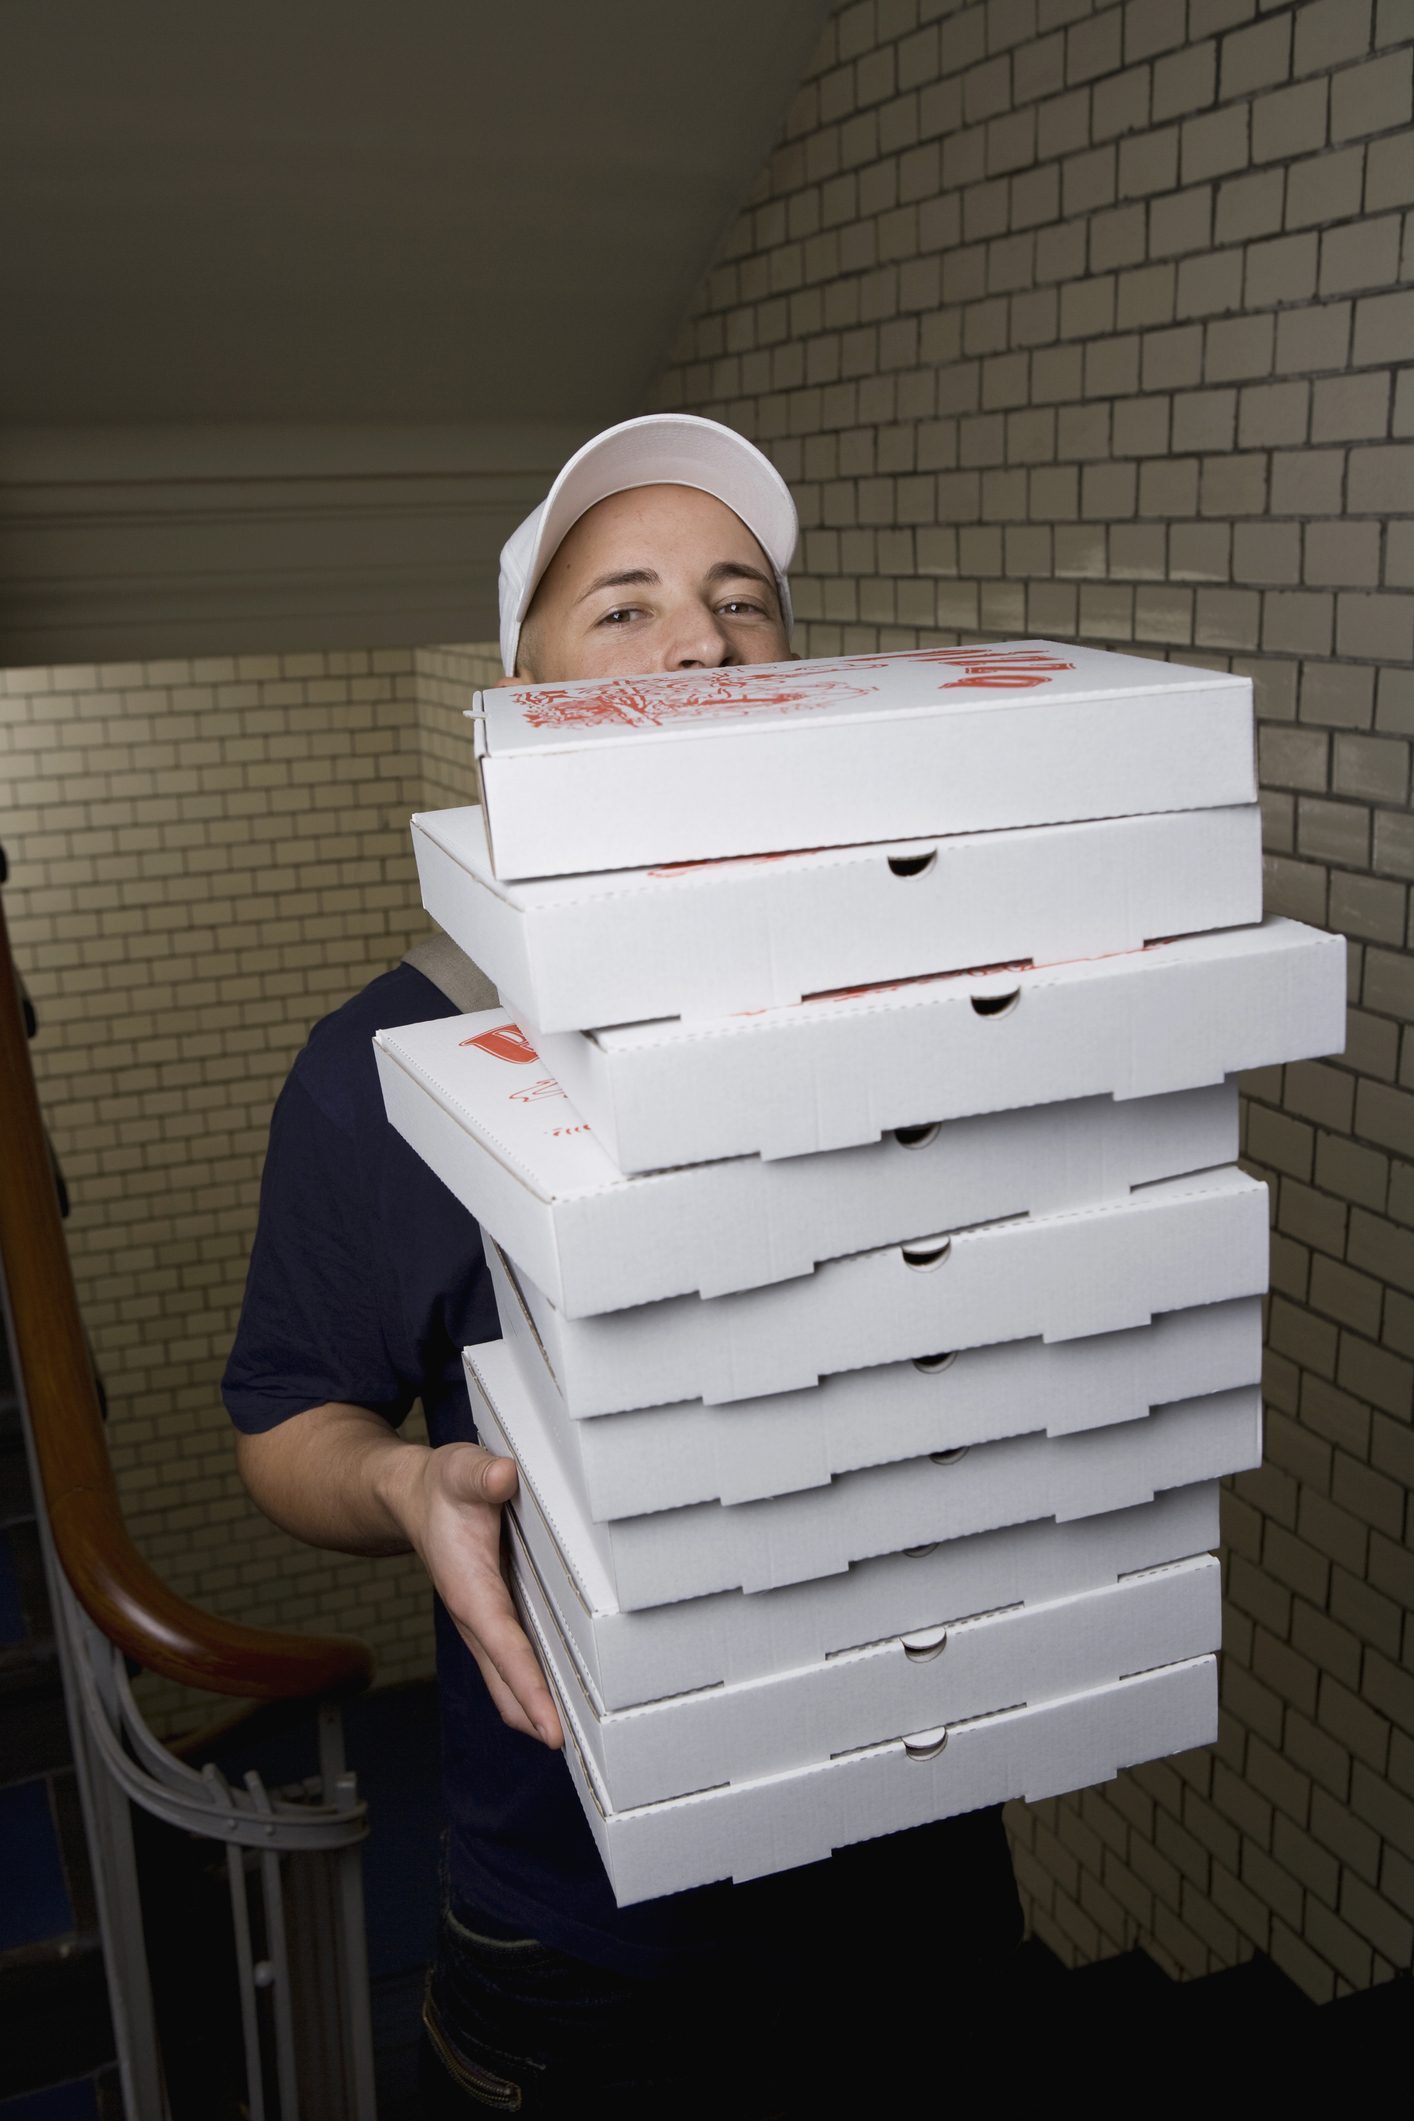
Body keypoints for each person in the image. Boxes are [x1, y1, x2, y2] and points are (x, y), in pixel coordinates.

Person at [223, 415, 1022, 2117]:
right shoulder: (392, 1061)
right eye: (626, 605)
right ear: (519, 702)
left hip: (925, 1850)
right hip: (596, 1942)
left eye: (745, 600)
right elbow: (290, 1414)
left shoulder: (932, 993)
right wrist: (400, 1484)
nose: (706, 638)